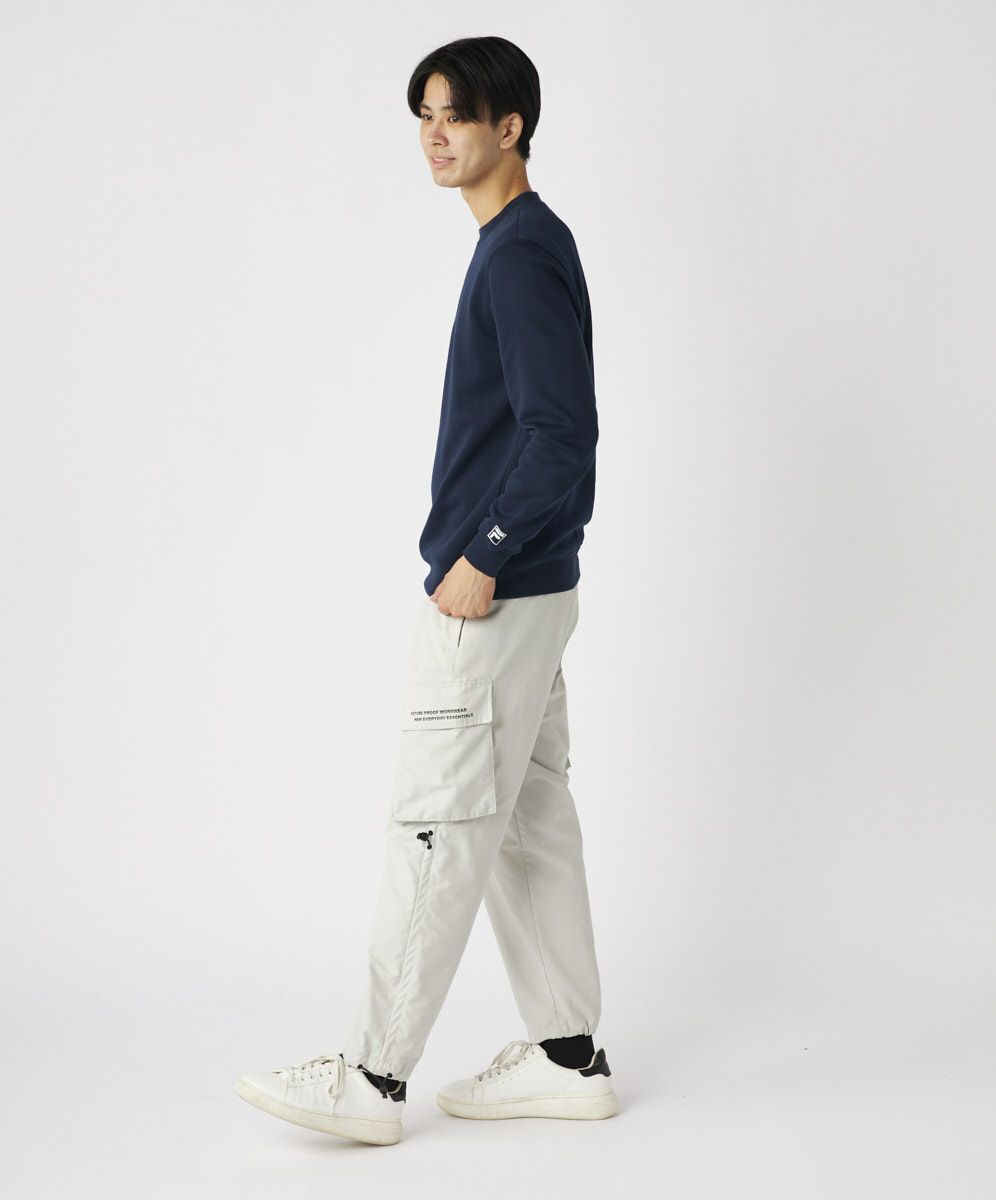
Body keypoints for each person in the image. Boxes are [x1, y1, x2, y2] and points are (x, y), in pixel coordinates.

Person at [234, 35, 615, 1145]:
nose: (435, 136)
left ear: (511, 126)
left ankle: (372, 1079)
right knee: (527, 823)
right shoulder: (520, 243)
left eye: (457, 115)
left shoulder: (521, 252)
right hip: (532, 594)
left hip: (495, 596)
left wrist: (482, 553)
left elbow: (561, 433)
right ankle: (568, 1056)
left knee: (438, 825)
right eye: (425, 117)